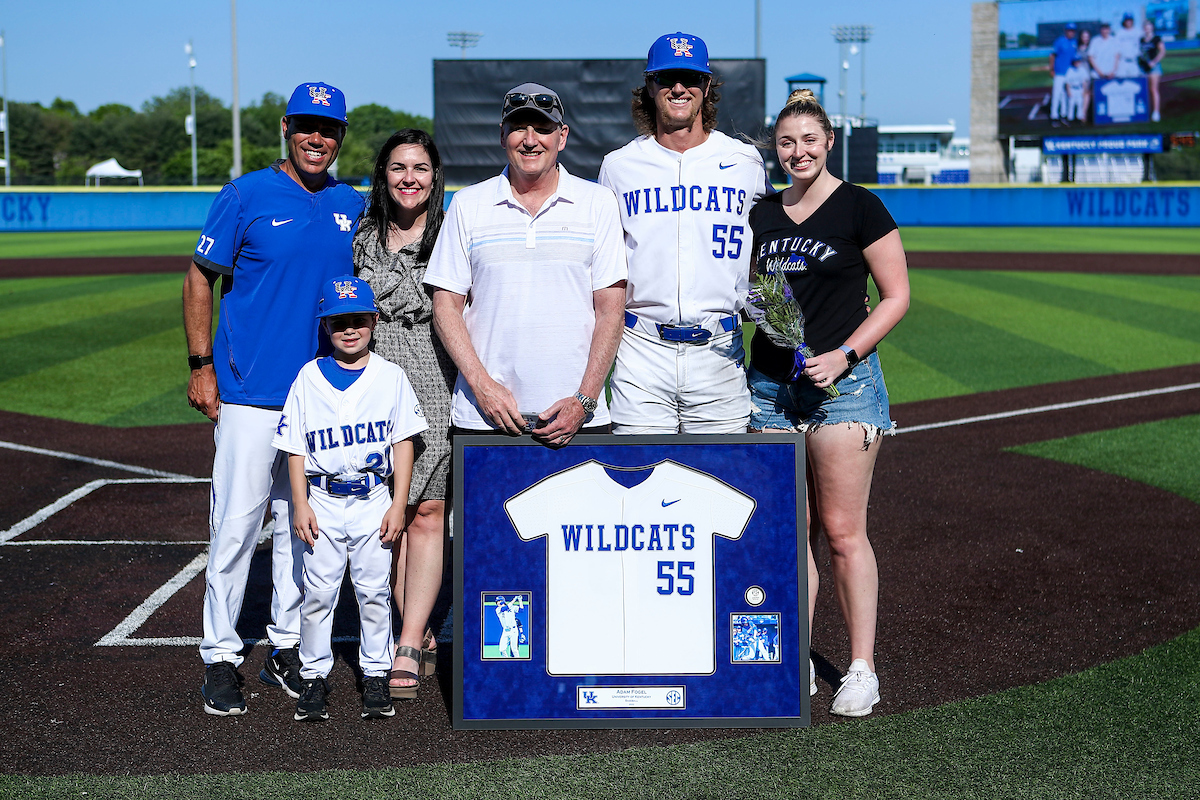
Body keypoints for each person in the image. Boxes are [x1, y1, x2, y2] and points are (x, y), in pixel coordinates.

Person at [183, 81, 365, 716]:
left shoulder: (351, 202)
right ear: (288, 127)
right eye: (308, 126)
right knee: (235, 526)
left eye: (331, 128)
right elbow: (201, 276)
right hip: (253, 392)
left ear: (342, 135)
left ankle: (286, 646)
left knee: (301, 531)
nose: (319, 137)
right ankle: (220, 655)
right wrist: (201, 364)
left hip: (321, 396)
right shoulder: (247, 194)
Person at [747, 89, 909, 717]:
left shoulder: (860, 207)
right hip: (769, 389)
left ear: (829, 142)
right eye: (786, 143)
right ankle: (795, 657)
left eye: (808, 140)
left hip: (843, 390)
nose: (797, 152)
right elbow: (749, 292)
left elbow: (895, 296)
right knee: (787, 537)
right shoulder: (761, 213)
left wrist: (844, 354)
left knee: (841, 534)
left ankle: (862, 667)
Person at [425, 83, 627, 446]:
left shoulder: (598, 203)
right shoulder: (468, 204)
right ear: (503, 135)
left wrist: (584, 400)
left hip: (578, 418)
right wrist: (483, 387)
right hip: (484, 417)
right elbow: (445, 307)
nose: (530, 140)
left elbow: (611, 312)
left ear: (561, 137)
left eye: (543, 128)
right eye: (519, 127)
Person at [599, 32, 769, 434]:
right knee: (637, 482)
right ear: (650, 86)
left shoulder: (743, 160)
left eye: (690, 78)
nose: (679, 88)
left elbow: (774, 240)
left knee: (720, 486)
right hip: (640, 351)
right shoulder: (619, 166)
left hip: (720, 352)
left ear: (707, 86)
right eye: (666, 78)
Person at [274, 276, 428, 721]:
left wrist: (399, 503)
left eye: (358, 320)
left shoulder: (390, 376)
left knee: (374, 591)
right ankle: (314, 676)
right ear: (326, 327)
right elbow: (295, 447)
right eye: (339, 321)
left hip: (373, 498)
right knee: (319, 592)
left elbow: (403, 442)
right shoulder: (308, 377)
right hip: (321, 501)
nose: (349, 329)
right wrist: (299, 503)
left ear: (374, 322)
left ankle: (376, 675)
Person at [353, 129, 455, 697]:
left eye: (420, 168)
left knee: (427, 511)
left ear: (434, 176)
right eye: (398, 168)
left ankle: (410, 638)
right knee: (390, 515)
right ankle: (413, 624)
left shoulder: (451, 232)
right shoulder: (363, 238)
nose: (409, 178)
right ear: (384, 175)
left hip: (435, 374)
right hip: (373, 378)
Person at [1049, 23, 1078, 123]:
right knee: (1057, 94)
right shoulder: (1060, 41)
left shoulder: (1074, 42)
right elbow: (1052, 56)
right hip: (1060, 72)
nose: (1071, 32)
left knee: (1066, 95)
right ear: (1066, 31)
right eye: (1069, 30)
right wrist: (1051, 69)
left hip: (1070, 73)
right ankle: (1054, 116)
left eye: (1073, 31)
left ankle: (1064, 115)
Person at [1139, 19, 1166, 121]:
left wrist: (1154, 62)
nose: (1147, 29)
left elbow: (1162, 51)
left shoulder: (1156, 38)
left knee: (1153, 89)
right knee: (1144, 89)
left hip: (1154, 67)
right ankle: (1145, 111)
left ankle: (1156, 112)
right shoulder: (1141, 39)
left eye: (1149, 27)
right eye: (1145, 27)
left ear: (1152, 28)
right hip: (1143, 67)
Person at [1115, 13, 1142, 78]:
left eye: (1130, 20)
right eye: (1127, 20)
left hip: (1134, 61)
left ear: (1133, 21)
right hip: (1122, 61)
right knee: (1121, 80)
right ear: (1124, 21)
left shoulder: (1138, 32)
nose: (1128, 22)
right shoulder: (1119, 32)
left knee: (1135, 81)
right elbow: (1116, 49)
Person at [1075, 28, 1094, 122]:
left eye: (1087, 37)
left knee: (1086, 92)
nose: (1085, 39)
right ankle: (1079, 112)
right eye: (1084, 37)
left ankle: (1084, 113)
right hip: (1078, 72)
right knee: (1079, 92)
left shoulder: (1092, 47)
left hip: (1087, 72)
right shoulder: (1077, 48)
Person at [1065, 57, 1090, 122]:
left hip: (1079, 88)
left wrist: (1084, 91)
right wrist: (1068, 91)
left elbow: (1084, 82)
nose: (1077, 63)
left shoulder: (1082, 70)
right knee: (1071, 104)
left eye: (1078, 62)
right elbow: (1067, 82)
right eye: (1075, 62)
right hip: (1072, 88)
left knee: (1080, 103)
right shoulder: (1070, 70)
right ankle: (1070, 118)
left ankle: (1079, 118)